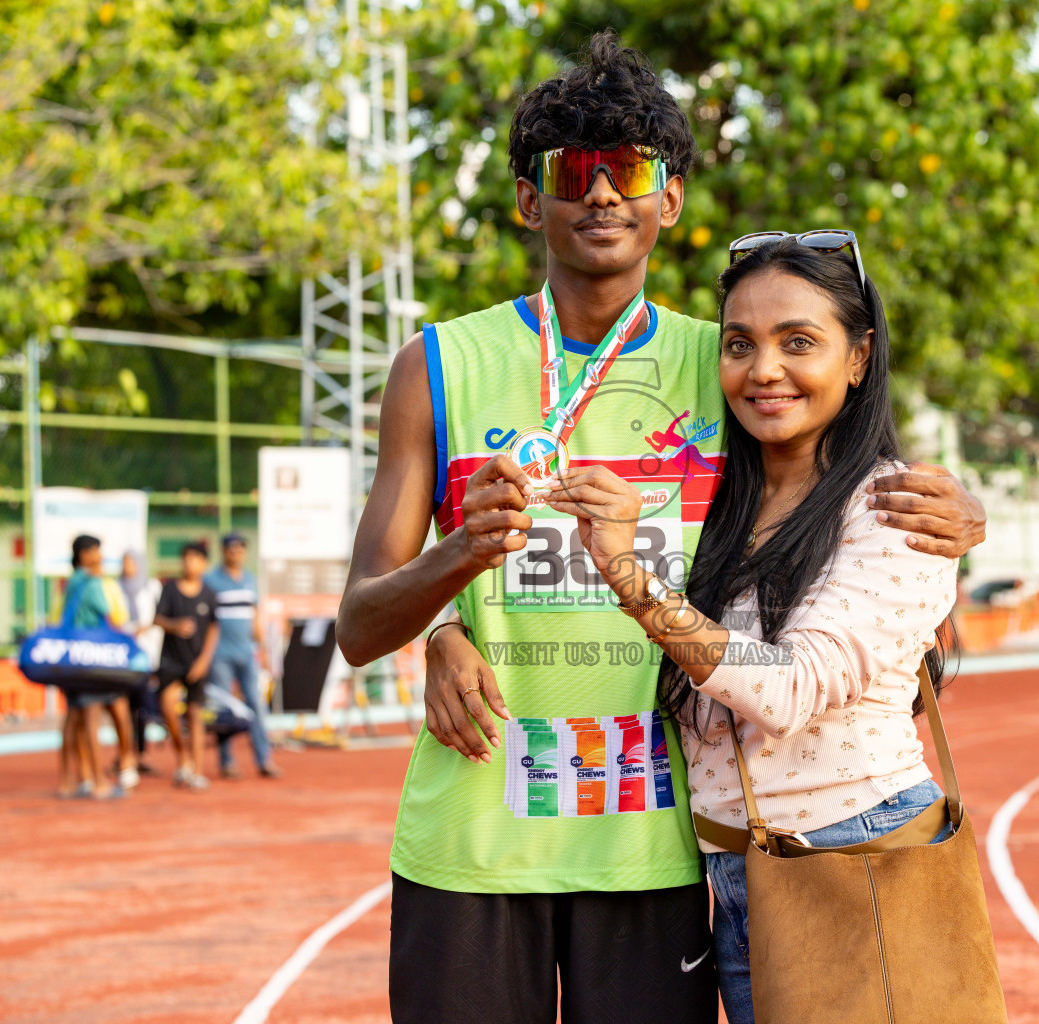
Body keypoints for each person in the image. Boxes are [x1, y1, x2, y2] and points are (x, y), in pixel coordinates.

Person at [336, 33, 986, 1024]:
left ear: (668, 198)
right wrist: (447, 600)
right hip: (473, 837)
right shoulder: (436, 366)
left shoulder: (726, 365)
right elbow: (357, 624)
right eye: (575, 172)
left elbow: (838, 479)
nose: (602, 195)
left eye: (629, 171)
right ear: (528, 198)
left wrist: (967, 513)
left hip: (656, 848)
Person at [543, 235, 961, 1022]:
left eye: (798, 342)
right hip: (738, 869)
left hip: (858, 852)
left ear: (860, 358)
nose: (764, 369)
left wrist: (630, 576)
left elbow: (789, 689)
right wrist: (443, 631)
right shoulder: (717, 501)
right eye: (740, 345)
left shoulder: (894, 509)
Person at [57, 535, 138, 798]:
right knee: (92, 716)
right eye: (96, 552)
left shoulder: (72, 582)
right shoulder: (92, 582)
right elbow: (110, 615)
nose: (100, 557)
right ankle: (99, 781)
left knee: (73, 719)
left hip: (72, 655)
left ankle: (69, 781)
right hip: (91, 656)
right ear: (84, 554)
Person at [204, 533, 279, 779]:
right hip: (219, 655)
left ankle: (263, 758)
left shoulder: (250, 579)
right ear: (223, 551)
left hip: (247, 653)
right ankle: (227, 761)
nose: (235, 553)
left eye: (239, 549)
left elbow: (255, 617)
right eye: (231, 549)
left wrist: (263, 649)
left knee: (256, 705)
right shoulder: (211, 580)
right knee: (225, 710)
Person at [155, 541, 219, 792]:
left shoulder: (209, 594)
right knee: (167, 707)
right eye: (185, 558)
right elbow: (157, 619)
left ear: (204, 564)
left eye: (194, 559)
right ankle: (182, 757)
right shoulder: (169, 589)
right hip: (171, 661)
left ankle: (197, 771)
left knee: (195, 714)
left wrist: (204, 661)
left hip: (196, 663)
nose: (188, 563)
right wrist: (175, 626)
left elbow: (214, 628)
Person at [120, 549, 162, 774]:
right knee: (123, 708)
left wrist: (143, 629)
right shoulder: (116, 587)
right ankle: (125, 754)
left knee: (142, 709)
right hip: (122, 656)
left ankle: (142, 754)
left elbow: (159, 617)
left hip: (146, 655)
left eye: (132, 561)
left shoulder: (151, 586)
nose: (128, 566)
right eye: (125, 561)